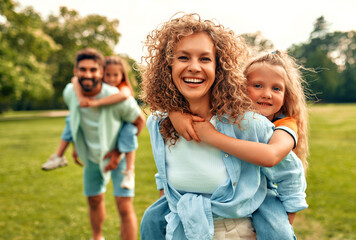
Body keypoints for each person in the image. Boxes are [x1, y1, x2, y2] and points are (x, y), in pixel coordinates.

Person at [140, 13, 307, 240]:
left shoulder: (249, 124)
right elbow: (164, 175)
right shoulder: (158, 122)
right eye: (183, 57)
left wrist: (281, 227)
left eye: (205, 59)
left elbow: (289, 173)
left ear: (220, 67)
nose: (194, 67)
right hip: (180, 231)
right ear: (167, 65)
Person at [63, 48, 145, 240]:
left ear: (101, 71)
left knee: (124, 206)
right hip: (91, 156)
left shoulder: (118, 97)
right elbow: (75, 118)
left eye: (93, 70)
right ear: (75, 72)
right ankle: (97, 237)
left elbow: (139, 121)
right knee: (94, 199)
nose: (88, 74)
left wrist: (119, 152)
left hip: (119, 157)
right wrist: (76, 146)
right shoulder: (69, 92)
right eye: (82, 69)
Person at [42, 56, 137, 190]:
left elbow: (124, 96)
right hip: (103, 136)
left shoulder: (122, 88)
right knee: (71, 119)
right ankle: (59, 155)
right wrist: (81, 98)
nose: (111, 79)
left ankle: (129, 171)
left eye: (116, 75)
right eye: (108, 74)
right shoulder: (99, 88)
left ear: (122, 76)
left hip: (123, 124)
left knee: (129, 133)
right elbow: (75, 80)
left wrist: (94, 103)